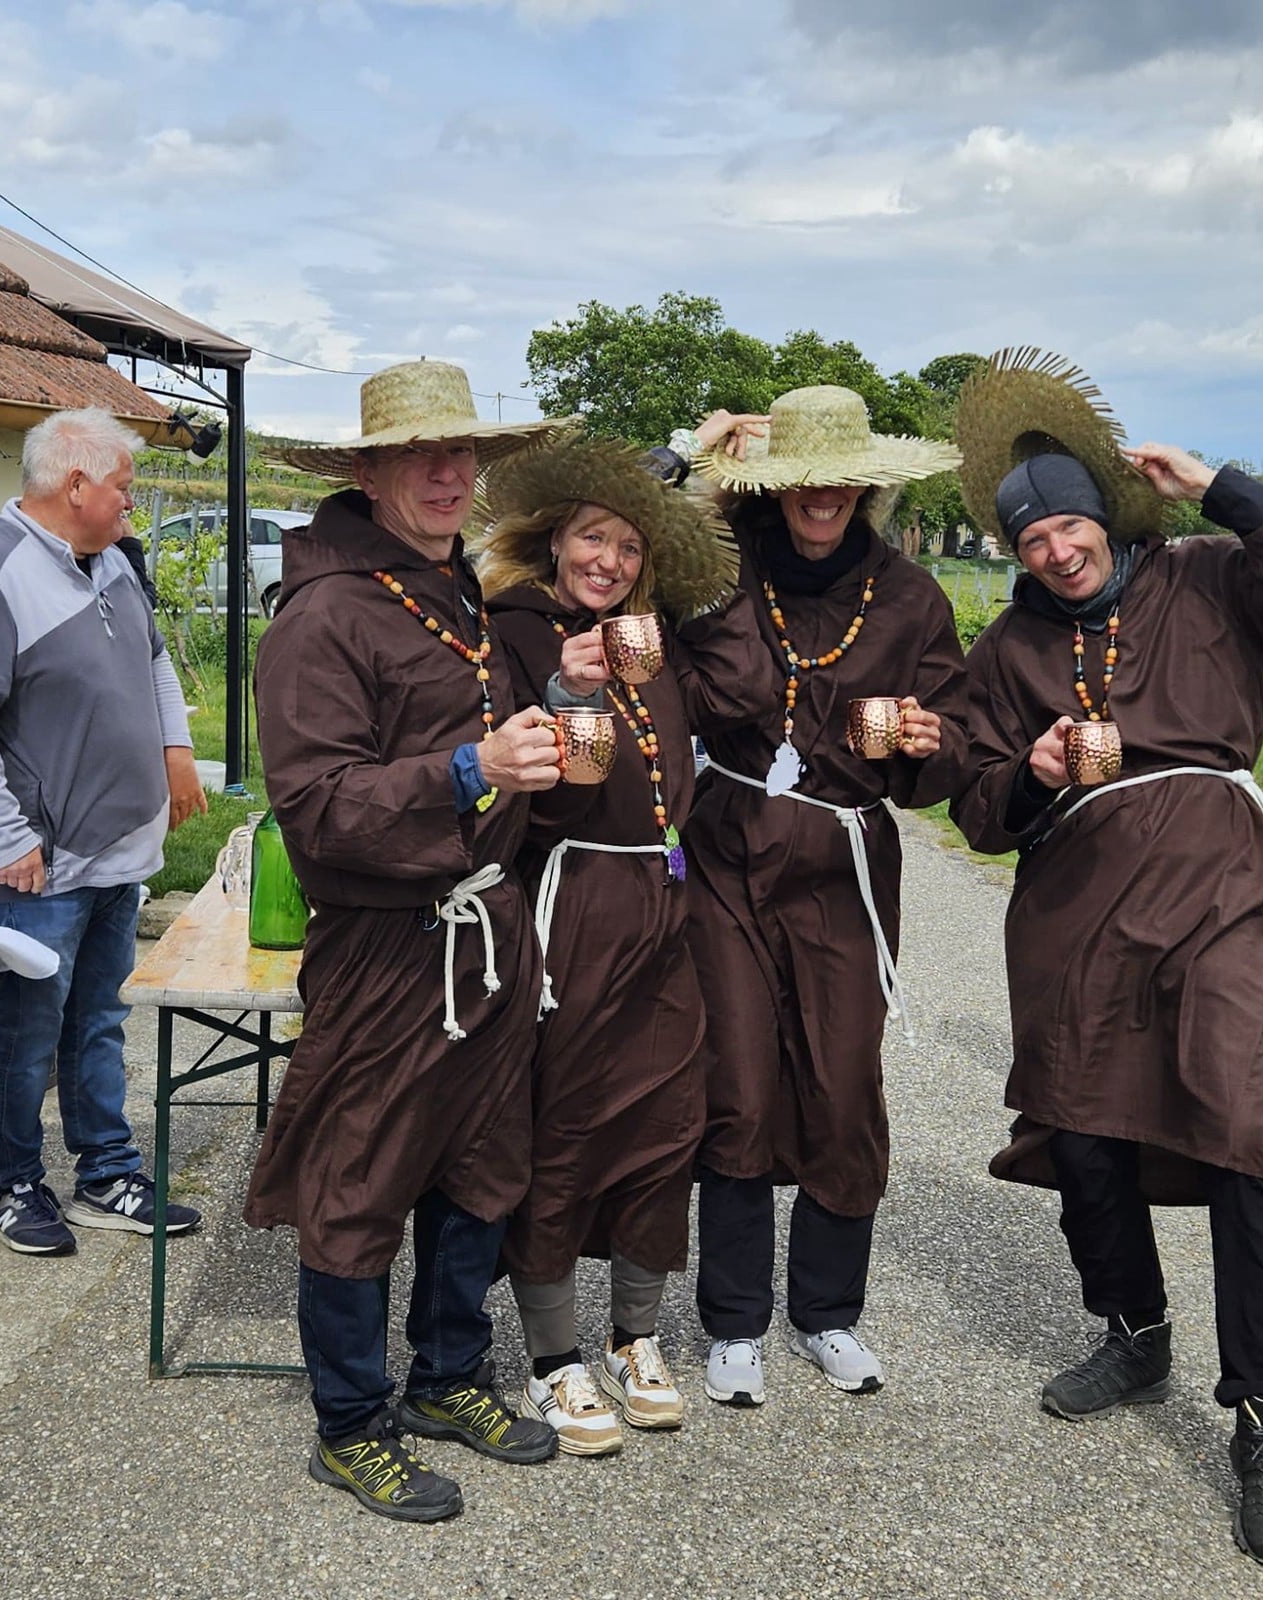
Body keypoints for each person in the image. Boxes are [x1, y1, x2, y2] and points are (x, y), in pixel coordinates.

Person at [948, 349, 1263, 1569]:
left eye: (1068, 525)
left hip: (1219, 891)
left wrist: (1215, 486)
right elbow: (970, 803)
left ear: (1106, 515)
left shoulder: (1209, 579)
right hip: (1074, 911)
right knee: (1081, 1127)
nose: (1054, 551)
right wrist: (1026, 773)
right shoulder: (1009, 647)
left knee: (1236, 1132)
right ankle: (1134, 1330)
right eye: (1030, 539)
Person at [244, 360, 568, 1525]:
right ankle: (348, 1424)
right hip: (386, 950)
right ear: (368, 471)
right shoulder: (322, 615)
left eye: (461, 452)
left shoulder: (454, 586)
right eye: (419, 454)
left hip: (487, 935)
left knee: (480, 1169)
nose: (447, 472)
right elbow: (316, 806)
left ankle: (445, 1377)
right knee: (359, 1182)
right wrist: (471, 768)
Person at [478, 423, 771, 1455]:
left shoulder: (652, 637)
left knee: (667, 1123)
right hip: (573, 906)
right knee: (566, 1125)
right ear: (554, 541)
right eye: (592, 538)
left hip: (663, 901)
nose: (608, 560)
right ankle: (554, 1355)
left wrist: (708, 557)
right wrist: (563, 695)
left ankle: (635, 1335)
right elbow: (529, 796)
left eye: (631, 546)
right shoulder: (515, 629)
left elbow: (749, 693)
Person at [682, 384, 968, 1406]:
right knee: (739, 1083)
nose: (822, 494)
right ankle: (733, 1322)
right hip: (727, 849)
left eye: (841, 478)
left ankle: (828, 1312)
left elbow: (952, 746)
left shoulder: (911, 598)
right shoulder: (717, 569)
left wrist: (932, 743)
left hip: (845, 868)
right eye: (804, 477)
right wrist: (694, 461)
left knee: (843, 1086)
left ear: (867, 487)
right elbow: (607, 552)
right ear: (774, 485)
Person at [0, 406, 208, 1256]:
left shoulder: (111, 559)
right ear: (75, 484)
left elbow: (153, 660)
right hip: (39, 861)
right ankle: (11, 1184)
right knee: (29, 1029)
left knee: (100, 1021)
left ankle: (106, 1172)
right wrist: (6, 836)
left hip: (115, 852)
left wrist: (177, 750)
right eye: (123, 485)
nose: (132, 501)